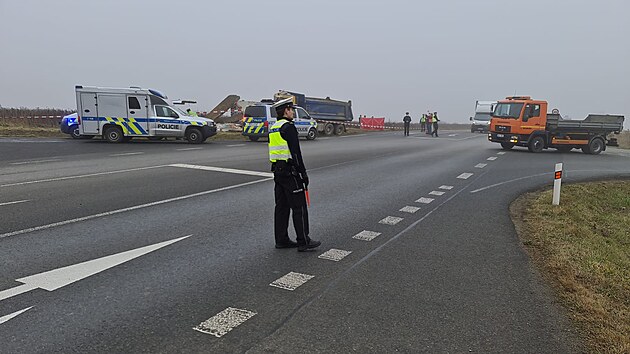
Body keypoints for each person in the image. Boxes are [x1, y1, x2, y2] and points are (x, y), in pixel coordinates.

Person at [269, 98, 321, 252]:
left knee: (281, 207)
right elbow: (296, 153)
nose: (292, 112)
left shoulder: (274, 127)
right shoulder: (288, 127)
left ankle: (281, 240)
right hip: (290, 172)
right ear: (286, 111)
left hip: (277, 172)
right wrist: (303, 173)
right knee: (299, 207)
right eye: (291, 109)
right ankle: (303, 240)